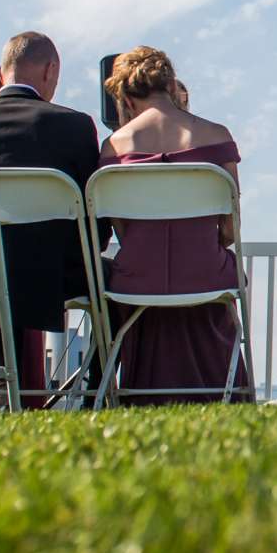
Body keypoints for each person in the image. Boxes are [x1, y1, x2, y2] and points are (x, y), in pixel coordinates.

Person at [0, 31, 103, 406]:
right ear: (50, 71)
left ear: (1, 71)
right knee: (118, 284)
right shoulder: (74, 127)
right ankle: (99, 394)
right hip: (54, 275)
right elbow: (94, 218)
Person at [96, 47, 252, 403]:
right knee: (218, 274)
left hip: (138, 279)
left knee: (138, 275)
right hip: (205, 274)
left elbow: (124, 231)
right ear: (170, 83)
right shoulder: (217, 135)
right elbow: (230, 230)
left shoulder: (114, 148)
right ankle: (223, 393)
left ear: (125, 97)